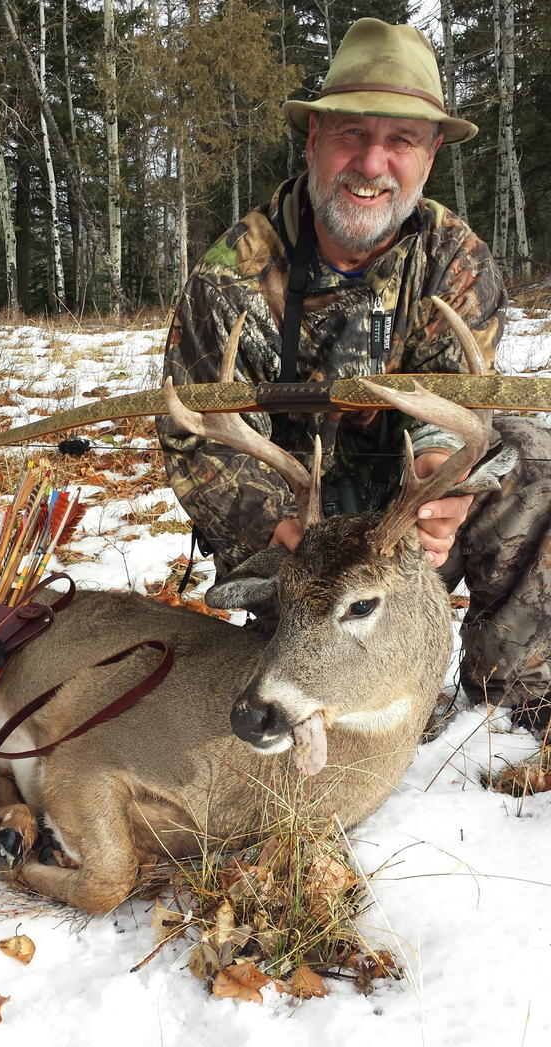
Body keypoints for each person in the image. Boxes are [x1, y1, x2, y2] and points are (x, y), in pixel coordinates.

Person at [157, 18, 551, 733]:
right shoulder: (232, 274)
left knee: (533, 457)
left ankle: (508, 696)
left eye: (400, 140)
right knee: (300, 687)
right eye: (351, 135)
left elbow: (461, 395)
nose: (372, 163)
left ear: (429, 157)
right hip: (304, 537)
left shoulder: (456, 261)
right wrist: (277, 525)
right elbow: (194, 437)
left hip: (406, 511)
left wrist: (443, 478)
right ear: (313, 141)